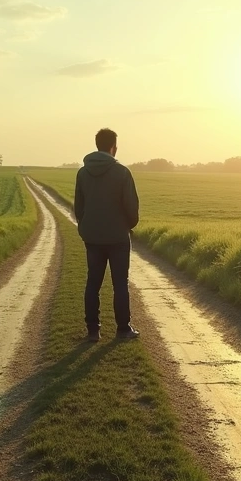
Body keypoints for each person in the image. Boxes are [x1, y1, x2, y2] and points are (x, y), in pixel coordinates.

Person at [74, 128, 140, 342]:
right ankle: (123, 329)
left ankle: (93, 331)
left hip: (92, 237)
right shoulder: (122, 172)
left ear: (97, 145)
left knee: (93, 282)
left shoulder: (82, 173)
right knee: (120, 284)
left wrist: (85, 227)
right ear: (113, 147)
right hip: (118, 237)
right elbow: (131, 207)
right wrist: (127, 225)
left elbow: (79, 207)